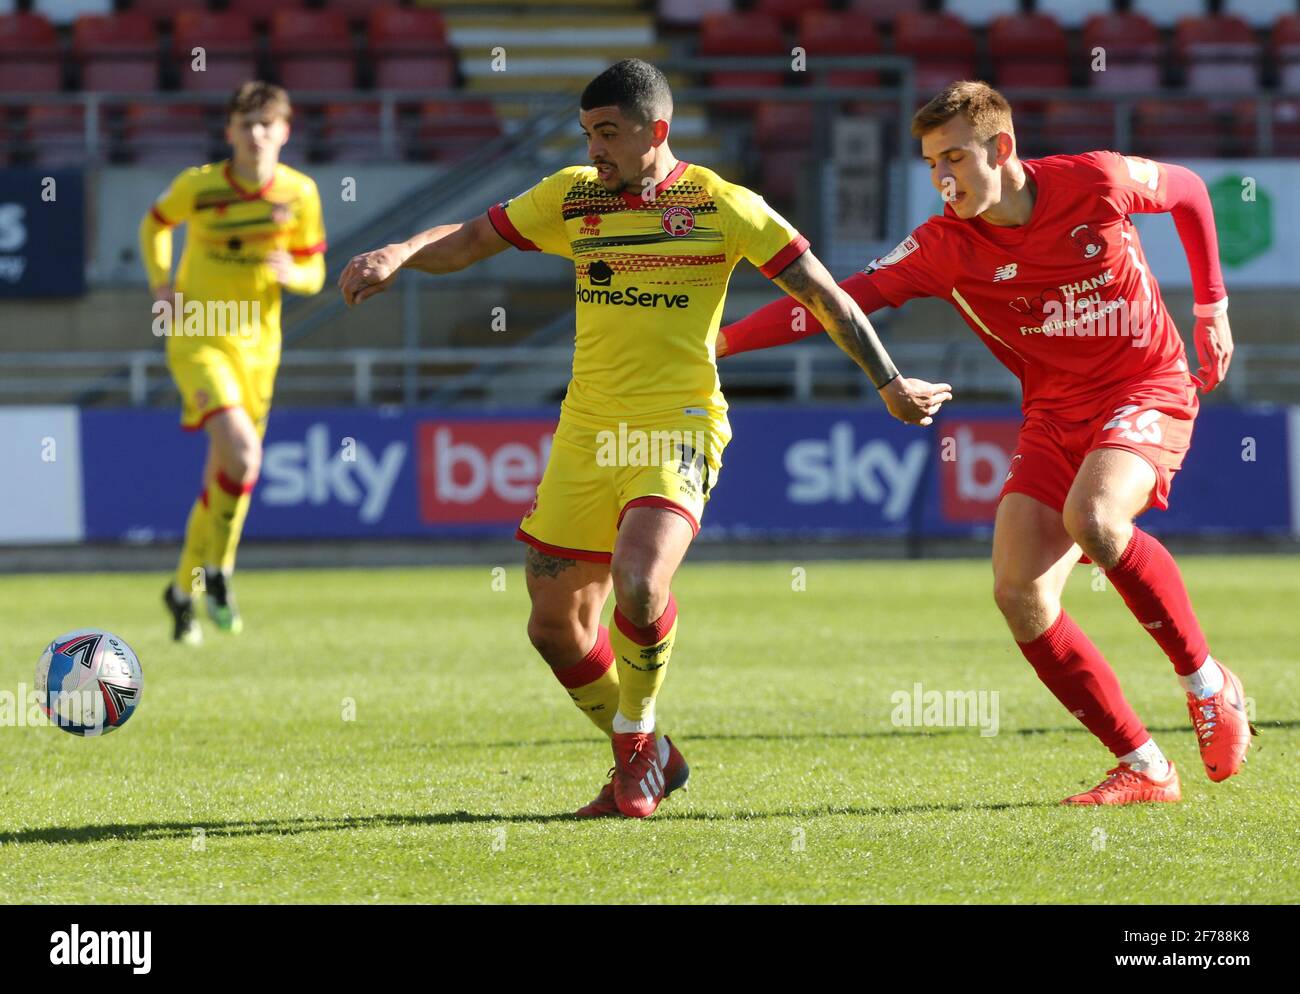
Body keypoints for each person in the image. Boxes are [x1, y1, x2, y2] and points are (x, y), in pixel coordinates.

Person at [339, 59, 950, 818]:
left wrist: (889, 382)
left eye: (607, 134)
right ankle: (656, 756)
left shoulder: (726, 206)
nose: (593, 149)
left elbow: (825, 296)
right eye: (587, 133)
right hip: (587, 431)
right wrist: (399, 253)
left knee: (639, 578)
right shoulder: (573, 196)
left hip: (679, 423)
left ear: (655, 131)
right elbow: (467, 241)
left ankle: (634, 752)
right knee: (555, 627)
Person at [718, 80, 1254, 805]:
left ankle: (1207, 683)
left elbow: (1188, 190)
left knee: (1094, 520)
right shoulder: (943, 247)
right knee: (1019, 593)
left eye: (955, 159)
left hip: (1146, 387)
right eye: (932, 164)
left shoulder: (1096, 180)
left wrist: (1212, 305)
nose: (942, 178)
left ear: (1001, 148)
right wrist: (719, 342)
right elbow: (833, 303)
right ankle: (1145, 766)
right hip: (1055, 414)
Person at [141, 81, 326, 643]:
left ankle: (183, 588)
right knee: (242, 453)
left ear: (284, 131)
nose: (256, 134)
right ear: (229, 132)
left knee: (234, 472)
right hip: (198, 336)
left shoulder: (300, 194)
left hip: (259, 349)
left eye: (266, 124)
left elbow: (315, 272)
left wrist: (292, 275)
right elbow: (155, 224)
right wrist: (160, 286)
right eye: (245, 124)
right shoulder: (199, 188)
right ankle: (219, 572)